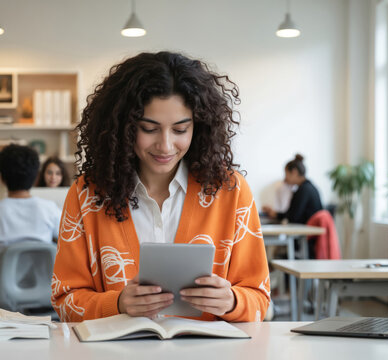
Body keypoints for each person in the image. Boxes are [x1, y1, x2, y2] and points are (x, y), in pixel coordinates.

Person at [51, 51, 270, 323]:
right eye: (149, 128)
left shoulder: (231, 191)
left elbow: (259, 298)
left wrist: (232, 301)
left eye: (180, 130)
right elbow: (65, 300)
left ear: (198, 128)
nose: (165, 146)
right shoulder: (87, 194)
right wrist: (117, 303)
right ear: (124, 128)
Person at [0, 144, 61, 308]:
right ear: (35, 178)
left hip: (1, 298)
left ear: (2, 178)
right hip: (45, 296)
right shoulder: (51, 210)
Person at [262, 154, 323, 224]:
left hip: (306, 231)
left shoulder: (303, 190)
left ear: (294, 172)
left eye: (286, 174)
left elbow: (292, 217)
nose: (285, 179)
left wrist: (276, 214)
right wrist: (275, 214)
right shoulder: (309, 187)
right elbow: (292, 214)